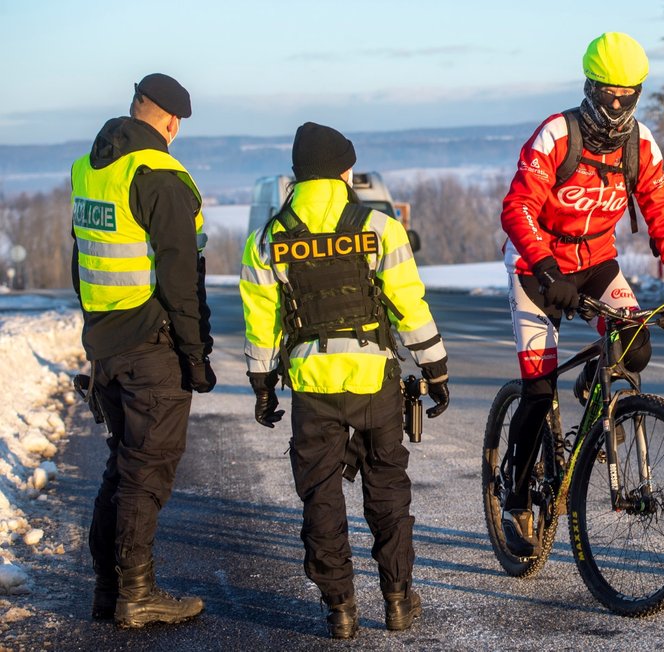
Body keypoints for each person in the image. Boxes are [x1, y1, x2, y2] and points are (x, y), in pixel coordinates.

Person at [498, 32, 664, 557]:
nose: (616, 106)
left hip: (595, 262)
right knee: (538, 389)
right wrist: (549, 272)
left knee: (634, 346)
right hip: (537, 267)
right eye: (607, 94)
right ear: (589, 86)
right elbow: (517, 209)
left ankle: (595, 390)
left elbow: (663, 216)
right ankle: (517, 500)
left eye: (628, 96)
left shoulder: (641, 145)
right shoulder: (556, 134)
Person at [239, 122, 450, 640]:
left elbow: (263, 322)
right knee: (386, 488)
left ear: (297, 174)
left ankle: (340, 610)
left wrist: (263, 385)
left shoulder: (268, 240)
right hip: (374, 377)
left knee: (321, 495)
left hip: (312, 384)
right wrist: (435, 367)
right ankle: (398, 600)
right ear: (345, 170)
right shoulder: (379, 228)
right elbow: (408, 304)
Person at [70, 73, 215, 628]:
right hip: (152, 346)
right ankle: (137, 593)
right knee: (146, 471)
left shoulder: (92, 169)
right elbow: (181, 277)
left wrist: (93, 332)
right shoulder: (159, 172)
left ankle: (111, 587)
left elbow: (81, 259)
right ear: (172, 121)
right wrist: (195, 353)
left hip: (107, 340)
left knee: (122, 466)